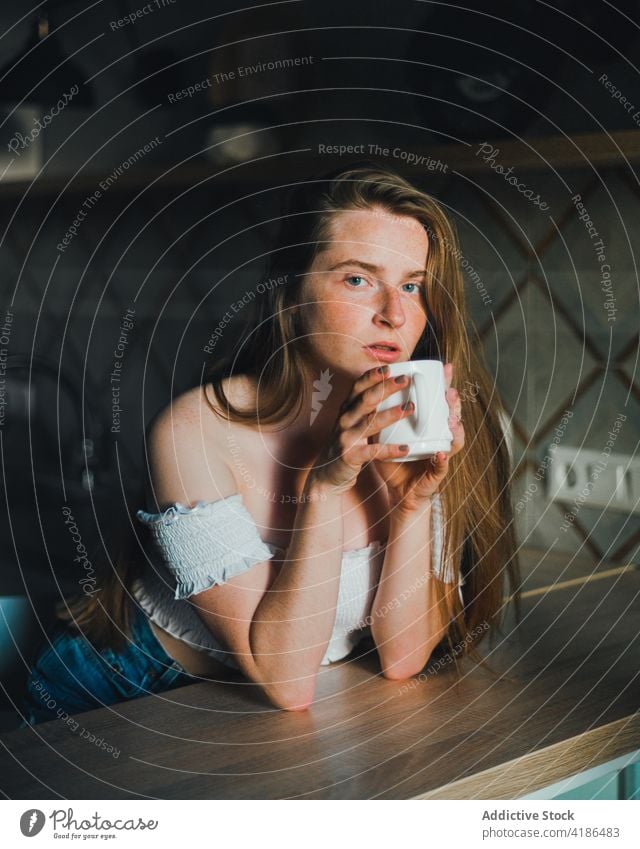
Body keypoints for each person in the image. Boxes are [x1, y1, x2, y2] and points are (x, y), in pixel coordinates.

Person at [21, 163, 519, 724]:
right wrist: (326, 488)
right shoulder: (196, 431)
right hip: (123, 694)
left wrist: (413, 504)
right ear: (293, 289)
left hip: (287, 714)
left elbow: (404, 658)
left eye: (411, 285)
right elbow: (285, 679)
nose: (394, 315)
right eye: (357, 279)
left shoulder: (423, 422)